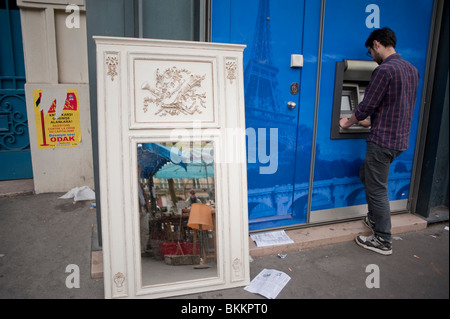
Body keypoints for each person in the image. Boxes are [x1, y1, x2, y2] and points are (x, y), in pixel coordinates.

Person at [339, 27, 419, 255]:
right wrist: (371, 121)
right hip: (399, 140)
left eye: (369, 52)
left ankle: (383, 239)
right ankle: (374, 219)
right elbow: (397, 104)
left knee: (377, 189)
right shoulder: (412, 70)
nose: (371, 57)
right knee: (367, 174)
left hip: (382, 140)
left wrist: (348, 121)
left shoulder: (384, 70)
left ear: (376, 45)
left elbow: (367, 105)